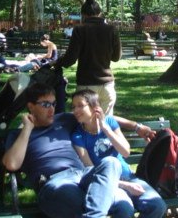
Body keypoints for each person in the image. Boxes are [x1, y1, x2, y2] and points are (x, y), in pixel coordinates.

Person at [2, 82, 155, 218]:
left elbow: (98, 114)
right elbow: (11, 164)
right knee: (86, 206)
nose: (52, 110)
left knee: (115, 175)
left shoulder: (64, 119)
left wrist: (137, 126)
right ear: (30, 106)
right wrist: (27, 130)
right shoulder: (19, 135)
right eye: (45, 104)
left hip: (83, 175)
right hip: (54, 182)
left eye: (54, 104)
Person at [70, 89, 166, 218]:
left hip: (128, 176)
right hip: (107, 184)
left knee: (157, 206)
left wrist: (106, 129)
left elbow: (125, 152)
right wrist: (125, 186)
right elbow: (91, 170)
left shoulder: (109, 122)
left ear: (95, 108)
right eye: (73, 107)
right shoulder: (77, 136)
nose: (75, 111)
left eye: (80, 106)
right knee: (124, 210)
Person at [56, 0, 121, 115]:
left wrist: (56, 62)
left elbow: (69, 60)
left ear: (83, 14)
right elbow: (116, 57)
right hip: (107, 85)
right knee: (105, 126)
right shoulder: (111, 29)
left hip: (87, 85)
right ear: (100, 13)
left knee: (84, 126)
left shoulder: (80, 29)